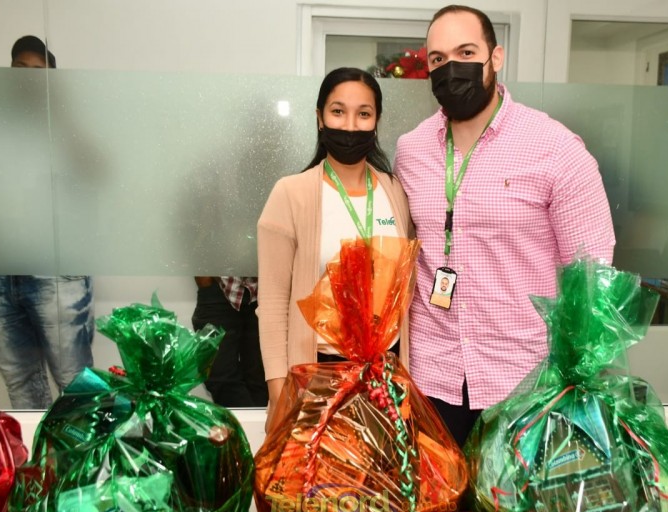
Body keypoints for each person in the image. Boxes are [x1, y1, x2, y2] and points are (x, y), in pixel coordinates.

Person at [394, 5, 616, 446]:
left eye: (466, 52)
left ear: (496, 57)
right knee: (435, 494)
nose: (451, 68)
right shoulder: (411, 150)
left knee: (508, 496)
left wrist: (581, 385)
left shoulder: (555, 148)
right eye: (438, 58)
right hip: (431, 377)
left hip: (524, 384)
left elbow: (592, 280)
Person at [257, 67, 412, 431]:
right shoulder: (291, 193)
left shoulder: (394, 191)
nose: (350, 125)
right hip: (317, 377)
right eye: (338, 111)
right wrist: (281, 393)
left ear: (376, 122)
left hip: (385, 379)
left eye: (364, 114)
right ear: (319, 117)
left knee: (384, 469)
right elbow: (273, 303)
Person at [0, 36, 94, 410]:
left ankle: (81, 450)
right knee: (21, 383)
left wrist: (62, 114)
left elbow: (96, 172)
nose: (28, 78)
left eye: (39, 72)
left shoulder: (64, 124)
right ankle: (40, 451)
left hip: (54, 266)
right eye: (20, 69)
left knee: (75, 381)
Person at [191, 275, 268, 407]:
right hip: (219, 284)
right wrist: (206, 284)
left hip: (264, 289)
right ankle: (243, 420)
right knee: (219, 374)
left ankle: (260, 419)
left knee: (261, 376)